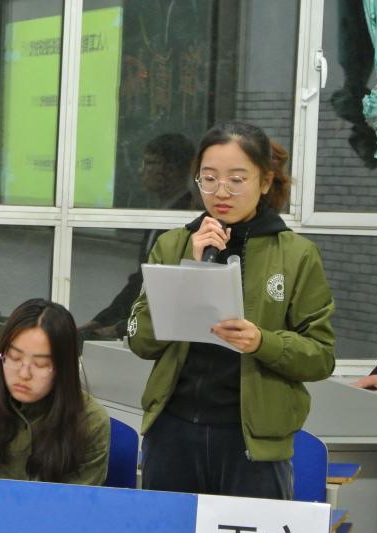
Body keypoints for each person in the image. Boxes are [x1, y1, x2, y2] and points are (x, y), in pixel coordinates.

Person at [128, 122, 336, 499]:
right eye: (209, 179)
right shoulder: (173, 245)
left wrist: (263, 343)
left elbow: (320, 357)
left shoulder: (296, 255)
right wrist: (189, 271)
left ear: (265, 181)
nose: (221, 192)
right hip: (172, 429)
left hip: (253, 440)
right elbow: (140, 342)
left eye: (237, 180)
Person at [0, 299, 110, 484]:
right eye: (14, 357)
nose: (24, 374)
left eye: (40, 364)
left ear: (64, 368)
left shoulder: (90, 421)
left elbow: (79, 500)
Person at [79, 133, 198, 339]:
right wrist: (103, 319)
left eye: (149, 163)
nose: (141, 171)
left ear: (171, 170)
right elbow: (141, 279)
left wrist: (120, 328)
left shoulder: (185, 219)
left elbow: (167, 290)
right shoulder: (160, 213)